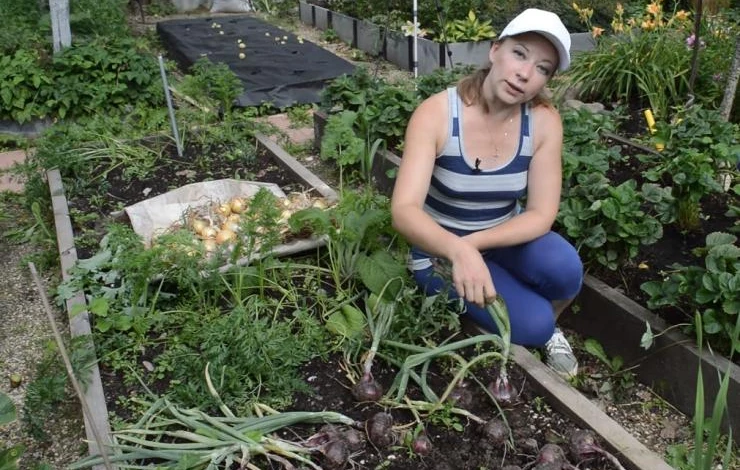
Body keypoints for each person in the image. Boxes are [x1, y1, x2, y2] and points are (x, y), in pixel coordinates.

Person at [390, 8, 583, 379]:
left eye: (543, 68)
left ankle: (536, 318)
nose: (525, 74)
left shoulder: (543, 122)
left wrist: (474, 244)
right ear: (495, 50)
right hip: (439, 253)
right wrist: (457, 249)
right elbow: (404, 210)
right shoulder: (437, 115)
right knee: (533, 325)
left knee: (565, 269)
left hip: (500, 238)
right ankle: (534, 322)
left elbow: (541, 214)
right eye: (520, 54)